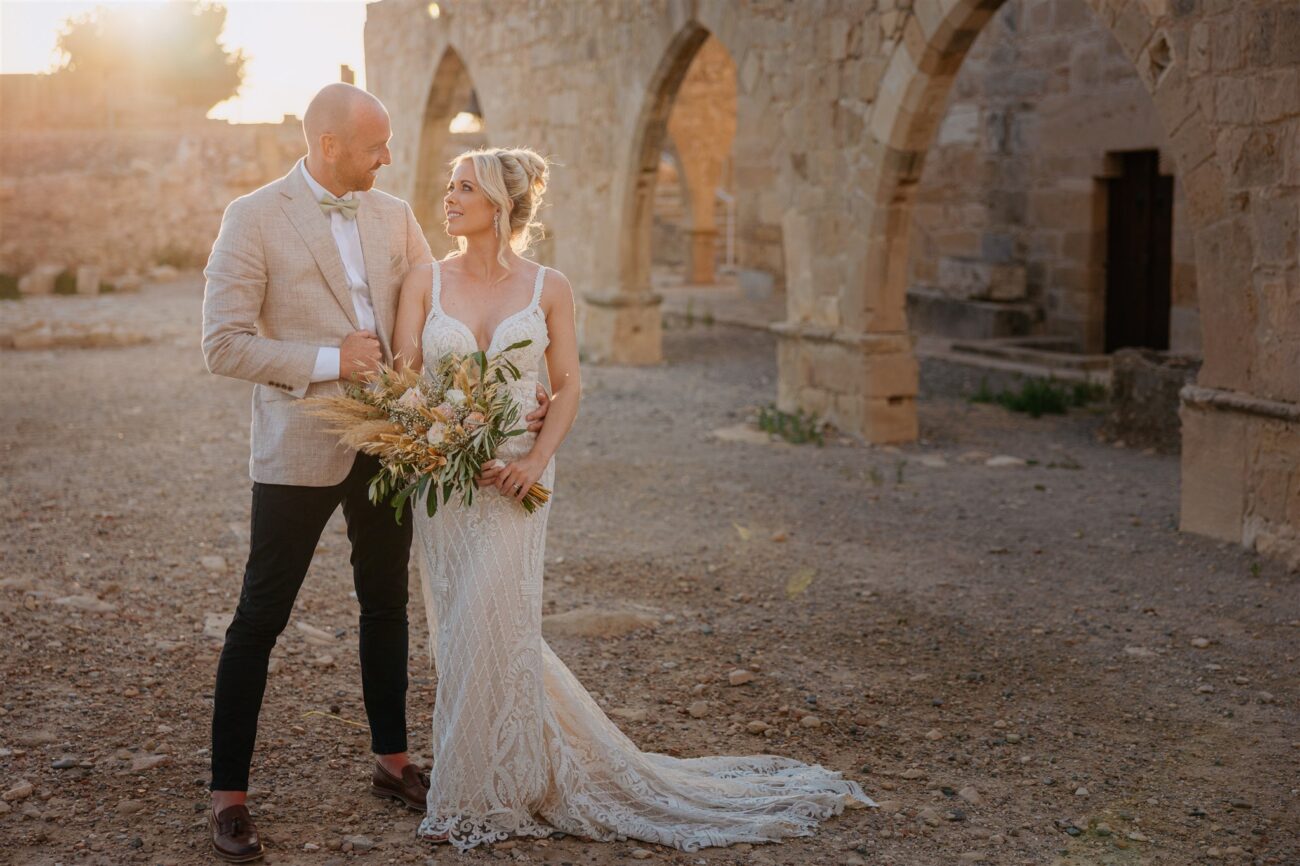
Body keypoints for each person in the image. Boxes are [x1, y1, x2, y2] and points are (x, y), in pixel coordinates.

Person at [391, 146, 875, 853]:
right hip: (449, 482)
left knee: (501, 615)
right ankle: (493, 775)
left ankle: (481, 794)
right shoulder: (423, 281)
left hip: (521, 481)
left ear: (499, 204)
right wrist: (456, 436)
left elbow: (570, 384)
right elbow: (406, 382)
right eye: (450, 185)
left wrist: (534, 459)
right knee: (465, 625)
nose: (449, 197)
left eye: (464, 187)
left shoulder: (548, 285)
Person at [200, 84, 549, 862]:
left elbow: (443, 310)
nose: (389, 159)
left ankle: (392, 761)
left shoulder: (393, 215)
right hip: (299, 444)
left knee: (385, 602)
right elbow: (221, 344)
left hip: (395, 444)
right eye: (374, 146)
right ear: (329, 145)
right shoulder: (252, 217)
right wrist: (330, 362)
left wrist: (517, 389)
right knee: (261, 614)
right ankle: (228, 795)